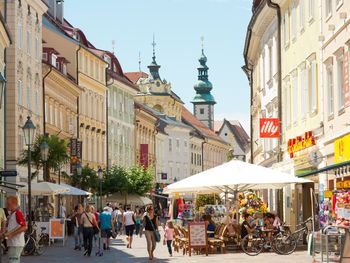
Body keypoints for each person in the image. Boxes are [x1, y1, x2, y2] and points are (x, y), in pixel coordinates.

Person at [5, 196, 27, 263]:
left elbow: (24, 227)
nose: (6, 206)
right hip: (14, 244)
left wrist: (11, 234)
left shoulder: (17, 213)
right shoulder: (12, 214)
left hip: (16, 244)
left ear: (14, 204)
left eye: (8, 204)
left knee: (13, 261)